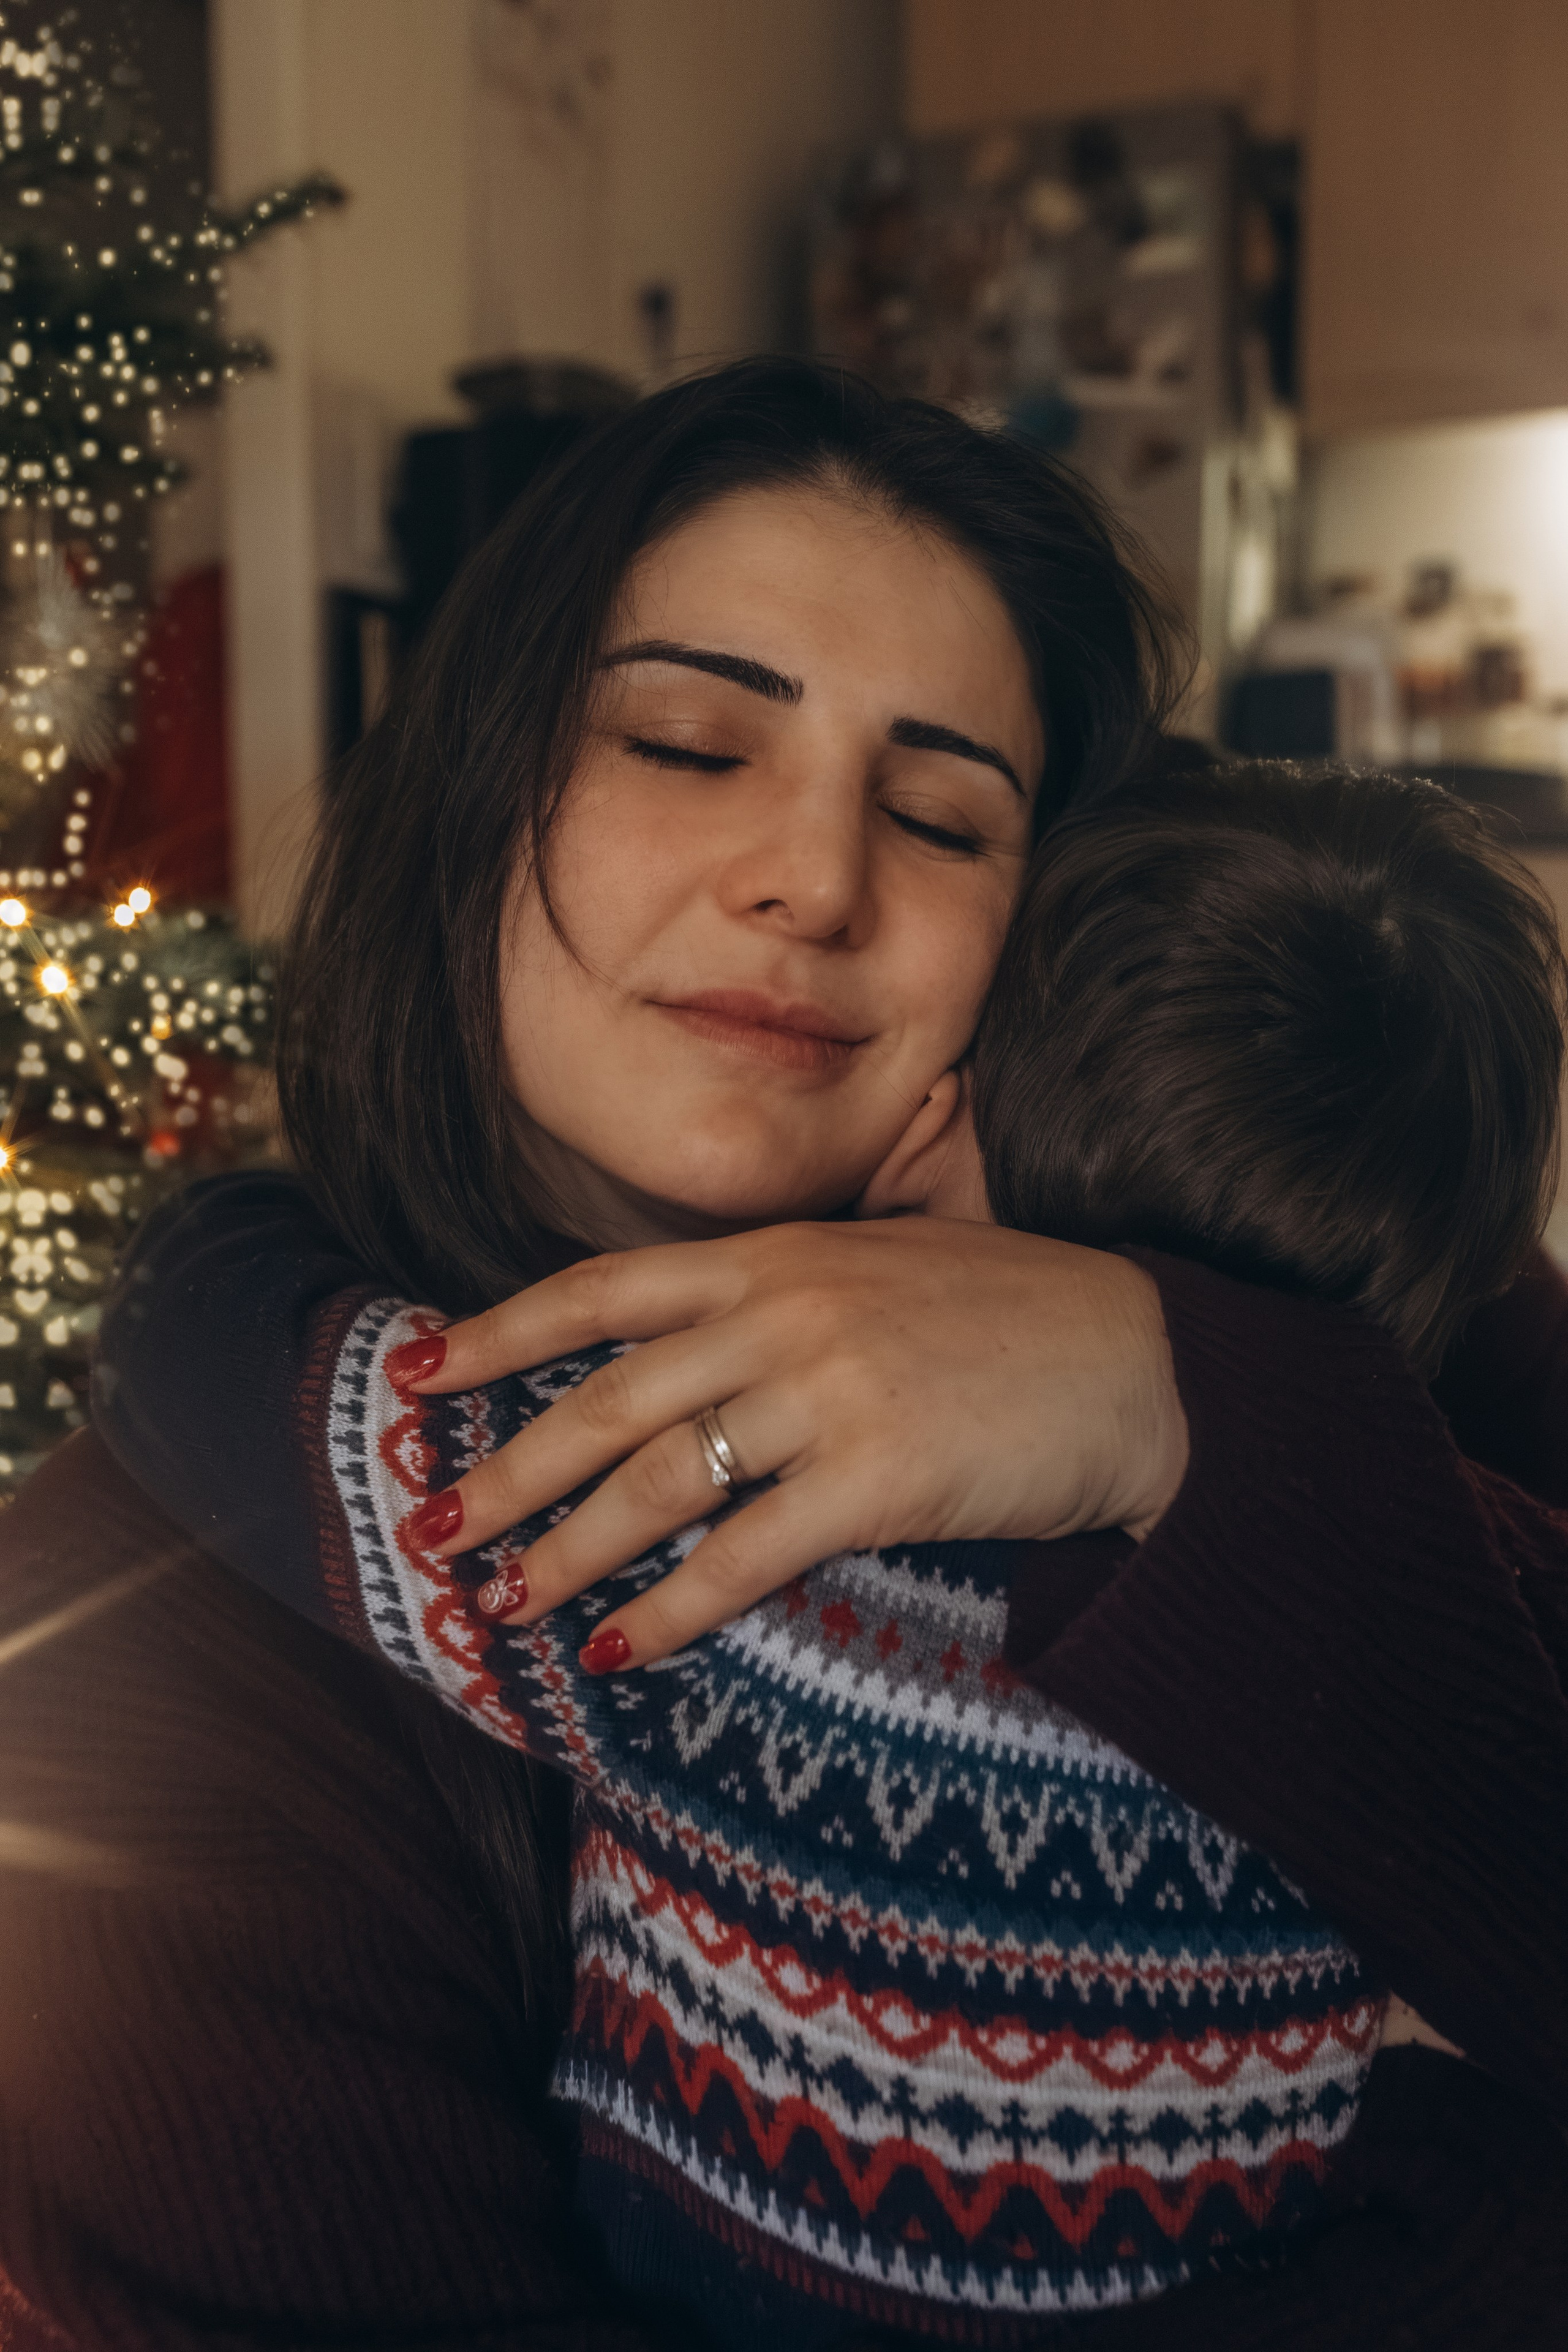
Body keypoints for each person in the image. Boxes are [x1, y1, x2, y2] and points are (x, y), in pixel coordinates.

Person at [2, 360, 1565, 2348]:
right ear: (469, 788)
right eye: (682, 742)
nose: (816, 881)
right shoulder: (121, 1664)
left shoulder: (1384, 1300)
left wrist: (1187, 1413)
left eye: (936, 814)